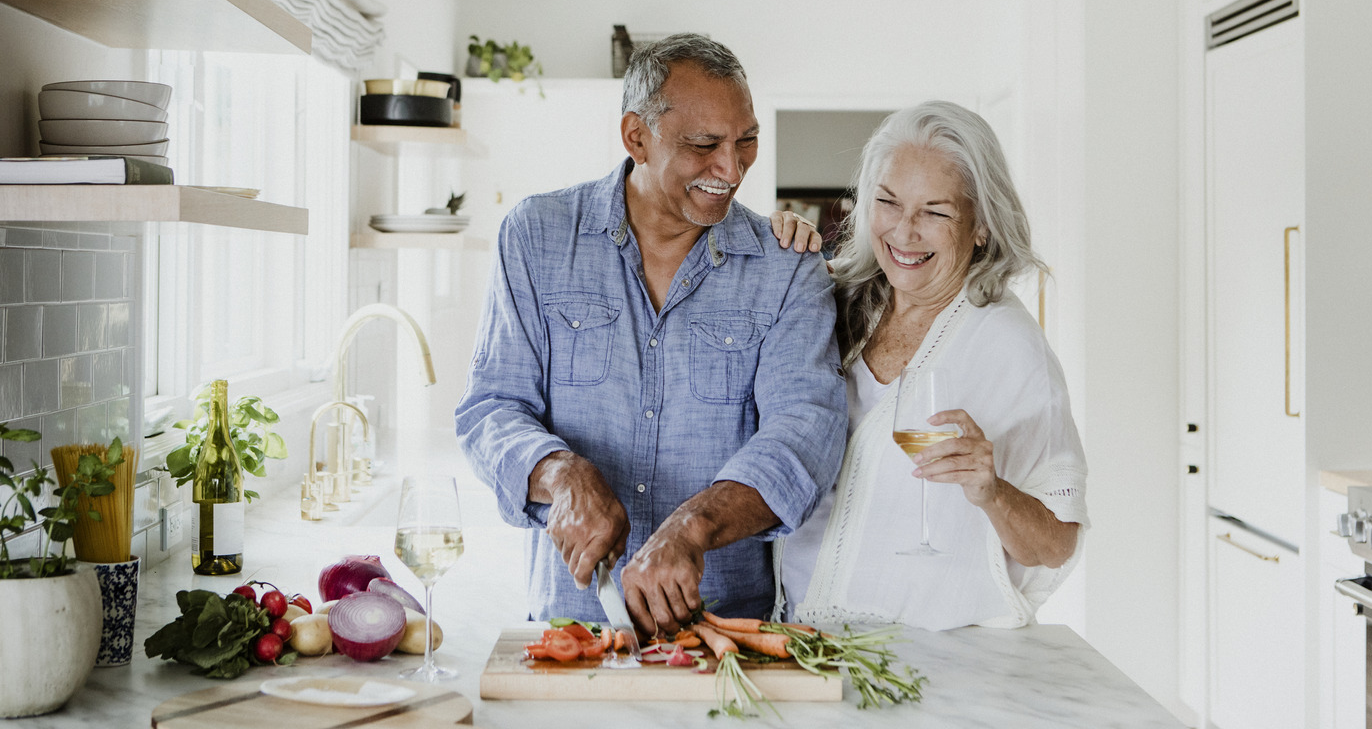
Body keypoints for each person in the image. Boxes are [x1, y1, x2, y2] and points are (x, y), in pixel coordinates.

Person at [456, 33, 846, 634]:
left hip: (725, 632)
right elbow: (490, 408)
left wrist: (693, 527)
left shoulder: (787, 266)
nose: (732, 168)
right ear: (636, 136)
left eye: (746, 141)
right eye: (704, 145)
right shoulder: (536, 237)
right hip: (569, 626)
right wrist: (560, 473)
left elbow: (804, 435)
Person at [772, 101, 1087, 630]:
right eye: (888, 203)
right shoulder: (835, 302)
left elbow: (1055, 544)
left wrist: (992, 491)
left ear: (980, 226)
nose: (904, 231)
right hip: (795, 638)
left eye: (935, 212)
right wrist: (774, 247)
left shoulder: (1008, 347)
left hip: (924, 662)